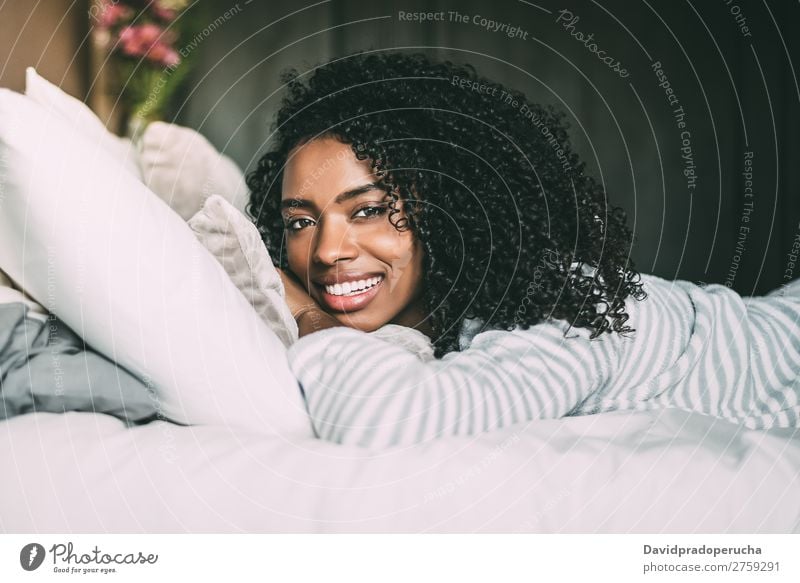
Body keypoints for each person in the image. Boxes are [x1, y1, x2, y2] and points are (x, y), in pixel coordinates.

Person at [246, 51, 800, 449]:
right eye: (300, 221)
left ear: (453, 208)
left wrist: (307, 315)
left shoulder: (568, 307)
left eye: (366, 209)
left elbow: (392, 421)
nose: (324, 252)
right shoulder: (438, 321)